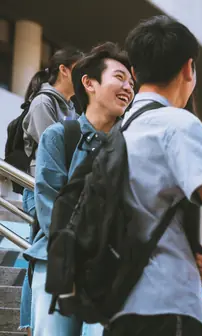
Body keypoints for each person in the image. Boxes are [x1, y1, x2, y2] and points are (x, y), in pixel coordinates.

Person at [104, 16, 202, 336]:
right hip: (167, 303)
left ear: (134, 73)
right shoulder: (179, 124)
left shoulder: (114, 133)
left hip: (116, 306)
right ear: (189, 68)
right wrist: (194, 242)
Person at [26, 42, 134, 336]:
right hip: (57, 262)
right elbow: (49, 205)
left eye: (131, 82)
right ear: (89, 83)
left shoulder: (133, 144)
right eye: (120, 77)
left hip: (109, 268)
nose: (128, 87)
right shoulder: (60, 136)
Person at [18, 47, 83, 335]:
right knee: (41, 252)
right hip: (39, 189)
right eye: (79, 69)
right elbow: (51, 149)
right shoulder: (44, 102)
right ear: (65, 70)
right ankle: (29, 322)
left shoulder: (71, 106)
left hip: (63, 189)